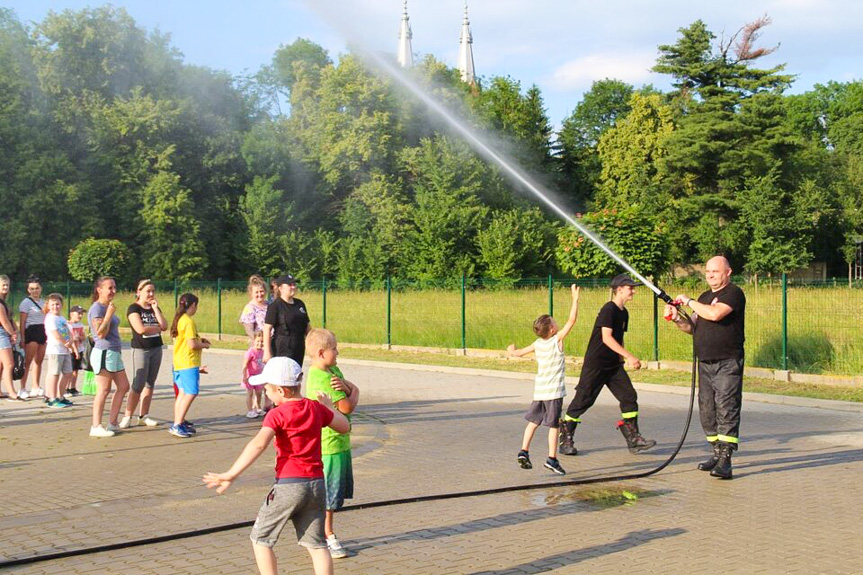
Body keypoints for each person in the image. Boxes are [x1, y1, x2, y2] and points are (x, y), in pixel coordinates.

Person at [203, 357, 350, 575]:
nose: (267, 393)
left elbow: (258, 444)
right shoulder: (315, 408)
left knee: (261, 539)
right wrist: (329, 408)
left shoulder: (277, 414)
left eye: (268, 389)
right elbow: (344, 426)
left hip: (289, 486)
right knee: (318, 546)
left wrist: (231, 473)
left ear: (281, 390)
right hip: (316, 485)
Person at [665, 255, 746, 480]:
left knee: (726, 407)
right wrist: (676, 319)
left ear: (727, 272)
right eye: (708, 272)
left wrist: (688, 300)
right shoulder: (704, 296)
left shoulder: (733, 294)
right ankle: (716, 453)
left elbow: (715, 313)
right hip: (705, 362)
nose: (710, 275)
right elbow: (691, 326)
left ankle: (726, 460)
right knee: (707, 409)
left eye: (715, 272)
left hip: (727, 361)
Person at [559, 274, 656, 456]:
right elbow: (606, 337)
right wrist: (629, 356)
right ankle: (565, 438)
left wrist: (621, 359)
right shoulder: (608, 309)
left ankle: (633, 439)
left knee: (629, 396)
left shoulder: (623, 312)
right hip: (596, 365)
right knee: (583, 401)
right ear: (619, 289)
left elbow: (619, 338)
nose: (633, 291)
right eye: (630, 288)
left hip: (613, 366)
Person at [506, 284, 580, 476]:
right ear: (553, 329)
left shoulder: (538, 344)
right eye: (555, 322)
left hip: (539, 392)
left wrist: (511, 351)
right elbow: (572, 320)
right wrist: (575, 299)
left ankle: (524, 451)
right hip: (553, 393)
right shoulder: (557, 341)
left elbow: (519, 353)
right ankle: (552, 459)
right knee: (553, 425)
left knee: (533, 422)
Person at [304, 328, 359, 560]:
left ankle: (322, 533)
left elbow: (349, 390)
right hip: (329, 445)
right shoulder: (322, 378)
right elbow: (347, 406)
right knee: (328, 497)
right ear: (320, 352)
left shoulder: (333, 369)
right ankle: (326, 535)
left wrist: (350, 390)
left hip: (341, 442)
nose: (337, 352)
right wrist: (354, 392)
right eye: (333, 348)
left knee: (333, 496)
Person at [88, 276, 131, 437]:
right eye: (110, 288)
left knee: (124, 386)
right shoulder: (97, 308)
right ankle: (96, 426)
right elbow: (100, 333)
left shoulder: (106, 306)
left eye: (114, 287)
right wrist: (108, 315)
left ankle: (112, 422)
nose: (113, 291)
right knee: (104, 389)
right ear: (99, 290)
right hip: (104, 351)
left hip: (114, 351)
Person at [121, 279, 168, 428]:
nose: (151, 294)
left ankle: (144, 415)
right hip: (141, 349)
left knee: (150, 383)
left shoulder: (155, 308)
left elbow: (164, 326)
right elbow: (140, 329)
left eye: (153, 291)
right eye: (148, 291)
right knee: (138, 383)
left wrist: (155, 310)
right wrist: (156, 328)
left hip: (156, 348)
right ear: (139, 292)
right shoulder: (134, 308)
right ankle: (127, 416)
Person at [170, 293, 210, 438]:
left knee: (182, 393)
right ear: (192, 305)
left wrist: (200, 340)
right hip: (188, 362)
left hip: (179, 362)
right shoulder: (188, 321)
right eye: (196, 306)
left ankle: (177, 421)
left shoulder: (179, 319)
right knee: (191, 392)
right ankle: (177, 424)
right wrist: (204, 345)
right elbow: (192, 345)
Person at [263, 274, 311, 368]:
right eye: (289, 285)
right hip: (282, 347)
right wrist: (267, 352)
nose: (293, 287)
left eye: (294, 284)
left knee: (296, 376)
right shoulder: (275, 306)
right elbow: (267, 329)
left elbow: (308, 327)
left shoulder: (300, 304)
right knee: (283, 378)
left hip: (299, 345)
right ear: (280, 288)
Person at [42, 293, 77, 408]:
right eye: (52, 304)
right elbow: (56, 334)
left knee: (68, 373)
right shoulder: (50, 318)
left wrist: (71, 341)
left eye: (57, 304)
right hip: (55, 350)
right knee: (54, 373)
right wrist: (65, 343)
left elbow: (68, 331)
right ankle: (52, 398)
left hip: (65, 350)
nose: (55, 307)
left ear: (61, 305)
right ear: (48, 306)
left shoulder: (61, 318)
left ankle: (60, 396)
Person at [18, 275, 46, 399]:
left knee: (39, 361)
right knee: (28, 362)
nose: (35, 290)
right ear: (28, 290)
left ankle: (35, 386)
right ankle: (22, 388)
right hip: (31, 331)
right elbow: (22, 322)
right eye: (32, 288)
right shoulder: (26, 303)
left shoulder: (44, 302)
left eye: (37, 288)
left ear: (41, 289)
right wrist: (23, 338)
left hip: (42, 331)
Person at [0, 275, 21, 401]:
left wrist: (15, 330)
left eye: (7, 285)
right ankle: (12, 392)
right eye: (3, 285)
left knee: (2, 365)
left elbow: (10, 319)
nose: (6, 287)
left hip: (4, 332)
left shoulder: (4, 302)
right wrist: (13, 334)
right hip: (1, 333)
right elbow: (4, 321)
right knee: (9, 363)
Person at [242, 330, 266, 418]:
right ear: (254, 341)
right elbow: (244, 365)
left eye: (262, 341)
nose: (260, 343)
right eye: (258, 341)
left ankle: (258, 407)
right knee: (250, 393)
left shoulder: (263, 352)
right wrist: (244, 376)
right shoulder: (250, 352)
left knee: (259, 392)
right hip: (250, 377)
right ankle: (250, 410)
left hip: (258, 376)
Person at [240, 275, 269, 343]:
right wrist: (259, 341)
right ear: (251, 293)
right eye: (256, 292)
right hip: (259, 344)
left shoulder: (270, 304)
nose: (259, 294)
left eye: (261, 291)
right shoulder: (250, 308)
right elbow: (249, 330)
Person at [66, 305, 87, 397]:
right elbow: (71, 339)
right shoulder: (68, 325)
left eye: (81, 314)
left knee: (76, 370)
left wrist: (80, 337)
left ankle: (73, 387)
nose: (80, 315)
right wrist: (75, 351)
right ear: (71, 314)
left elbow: (83, 337)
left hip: (80, 348)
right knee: (69, 370)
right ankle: (66, 388)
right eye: (78, 313)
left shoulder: (80, 325)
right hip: (71, 350)